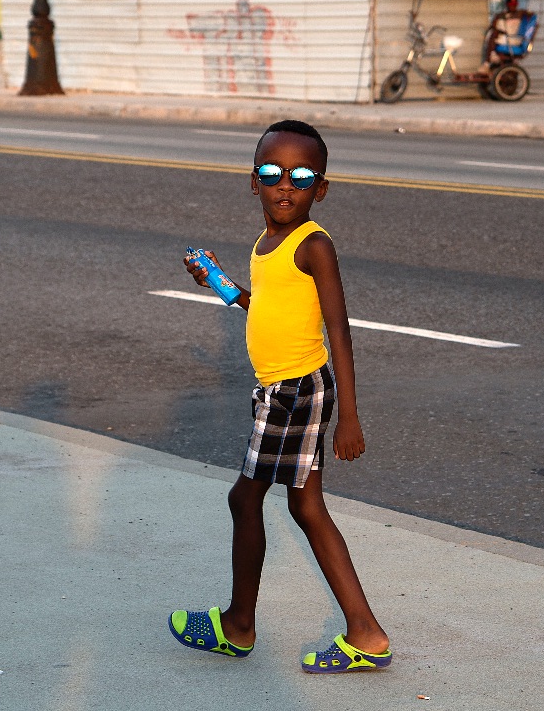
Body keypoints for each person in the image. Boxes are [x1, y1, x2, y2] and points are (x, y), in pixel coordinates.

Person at [169, 120, 391, 674]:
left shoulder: (313, 244)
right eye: (271, 173)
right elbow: (267, 307)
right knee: (303, 505)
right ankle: (362, 633)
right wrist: (220, 284)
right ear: (253, 182)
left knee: (249, 500)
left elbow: (338, 329)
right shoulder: (268, 241)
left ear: (322, 187)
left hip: (296, 390)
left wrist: (351, 418)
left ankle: (241, 625)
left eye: (301, 176)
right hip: (283, 389)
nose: (284, 185)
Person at [479, 0, 534, 72]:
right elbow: (493, 26)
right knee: (494, 34)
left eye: (514, 5)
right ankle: (492, 57)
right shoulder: (502, 15)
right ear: (507, 5)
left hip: (514, 39)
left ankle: (487, 63)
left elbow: (531, 15)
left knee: (494, 35)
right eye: (511, 5)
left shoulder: (520, 13)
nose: (513, 7)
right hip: (506, 38)